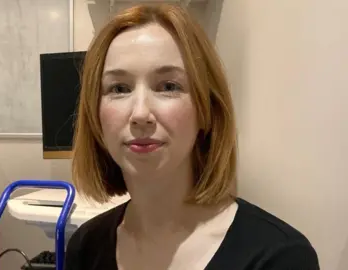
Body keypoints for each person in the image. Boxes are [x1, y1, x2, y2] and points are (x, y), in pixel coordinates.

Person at [65, 3, 319, 270]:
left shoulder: (280, 258)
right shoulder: (85, 247)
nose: (140, 113)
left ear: (206, 108)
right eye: (119, 88)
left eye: (168, 86)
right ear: (95, 114)